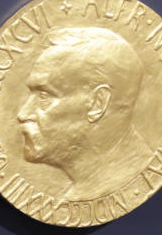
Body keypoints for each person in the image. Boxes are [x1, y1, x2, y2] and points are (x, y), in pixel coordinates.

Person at [16, 27, 154, 201]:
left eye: (44, 96)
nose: (23, 114)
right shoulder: (85, 191)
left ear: (97, 103)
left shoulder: (123, 177)